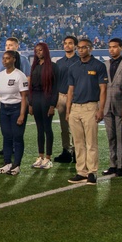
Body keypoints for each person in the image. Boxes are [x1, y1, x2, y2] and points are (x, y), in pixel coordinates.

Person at [64, 37, 108, 185]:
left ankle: (92, 172)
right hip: (75, 108)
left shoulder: (99, 65)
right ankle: (81, 172)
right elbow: (70, 90)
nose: (81, 50)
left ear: (91, 49)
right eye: (79, 48)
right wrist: (68, 110)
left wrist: (101, 109)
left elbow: (103, 89)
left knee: (91, 142)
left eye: (84, 47)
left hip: (90, 106)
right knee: (78, 142)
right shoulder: (73, 67)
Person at [0, 49, 28, 176]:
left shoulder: (20, 75)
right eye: (3, 58)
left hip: (16, 108)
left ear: (14, 59)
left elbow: (24, 97)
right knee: (6, 137)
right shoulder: (0, 75)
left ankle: (16, 165)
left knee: (17, 137)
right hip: (4, 109)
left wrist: (22, 114)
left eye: (7, 58)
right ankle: (7, 163)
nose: (4, 61)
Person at [27, 42, 59, 169]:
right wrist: (30, 103)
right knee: (39, 129)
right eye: (36, 50)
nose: (38, 52)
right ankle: (40, 157)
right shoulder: (34, 66)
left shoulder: (53, 66)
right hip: (36, 99)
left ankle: (48, 158)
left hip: (47, 98)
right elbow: (31, 87)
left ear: (45, 50)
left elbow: (55, 87)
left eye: (40, 50)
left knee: (47, 128)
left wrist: (52, 105)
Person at [102, 38, 122, 177]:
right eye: (110, 47)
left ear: (121, 47)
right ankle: (113, 164)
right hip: (107, 105)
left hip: (121, 105)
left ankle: (121, 166)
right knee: (111, 137)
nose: (111, 49)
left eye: (114, 47)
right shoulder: (105, 64)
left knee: (121, 137)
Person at [0, 37, 24, 155]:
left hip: (17, 100)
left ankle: (16, 153)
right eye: (7, 45)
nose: (8, 47)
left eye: (11, 45)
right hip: (4, 100)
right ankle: (7, 150)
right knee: (6, 131)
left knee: (17, 132)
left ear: (17, 46)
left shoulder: (23, 60)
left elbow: (27, 78)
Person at [52, 35, 78, 164]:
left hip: (76, 98)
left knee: (76, 127)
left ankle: (77, 152)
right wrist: (56, 98)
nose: (67, 45)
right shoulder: (59, 62)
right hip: (62, 96)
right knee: (64, 127)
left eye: (70, 43)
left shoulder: (79, 61)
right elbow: (56, 81)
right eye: (65, 43)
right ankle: (66, 151)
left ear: (75, 46)